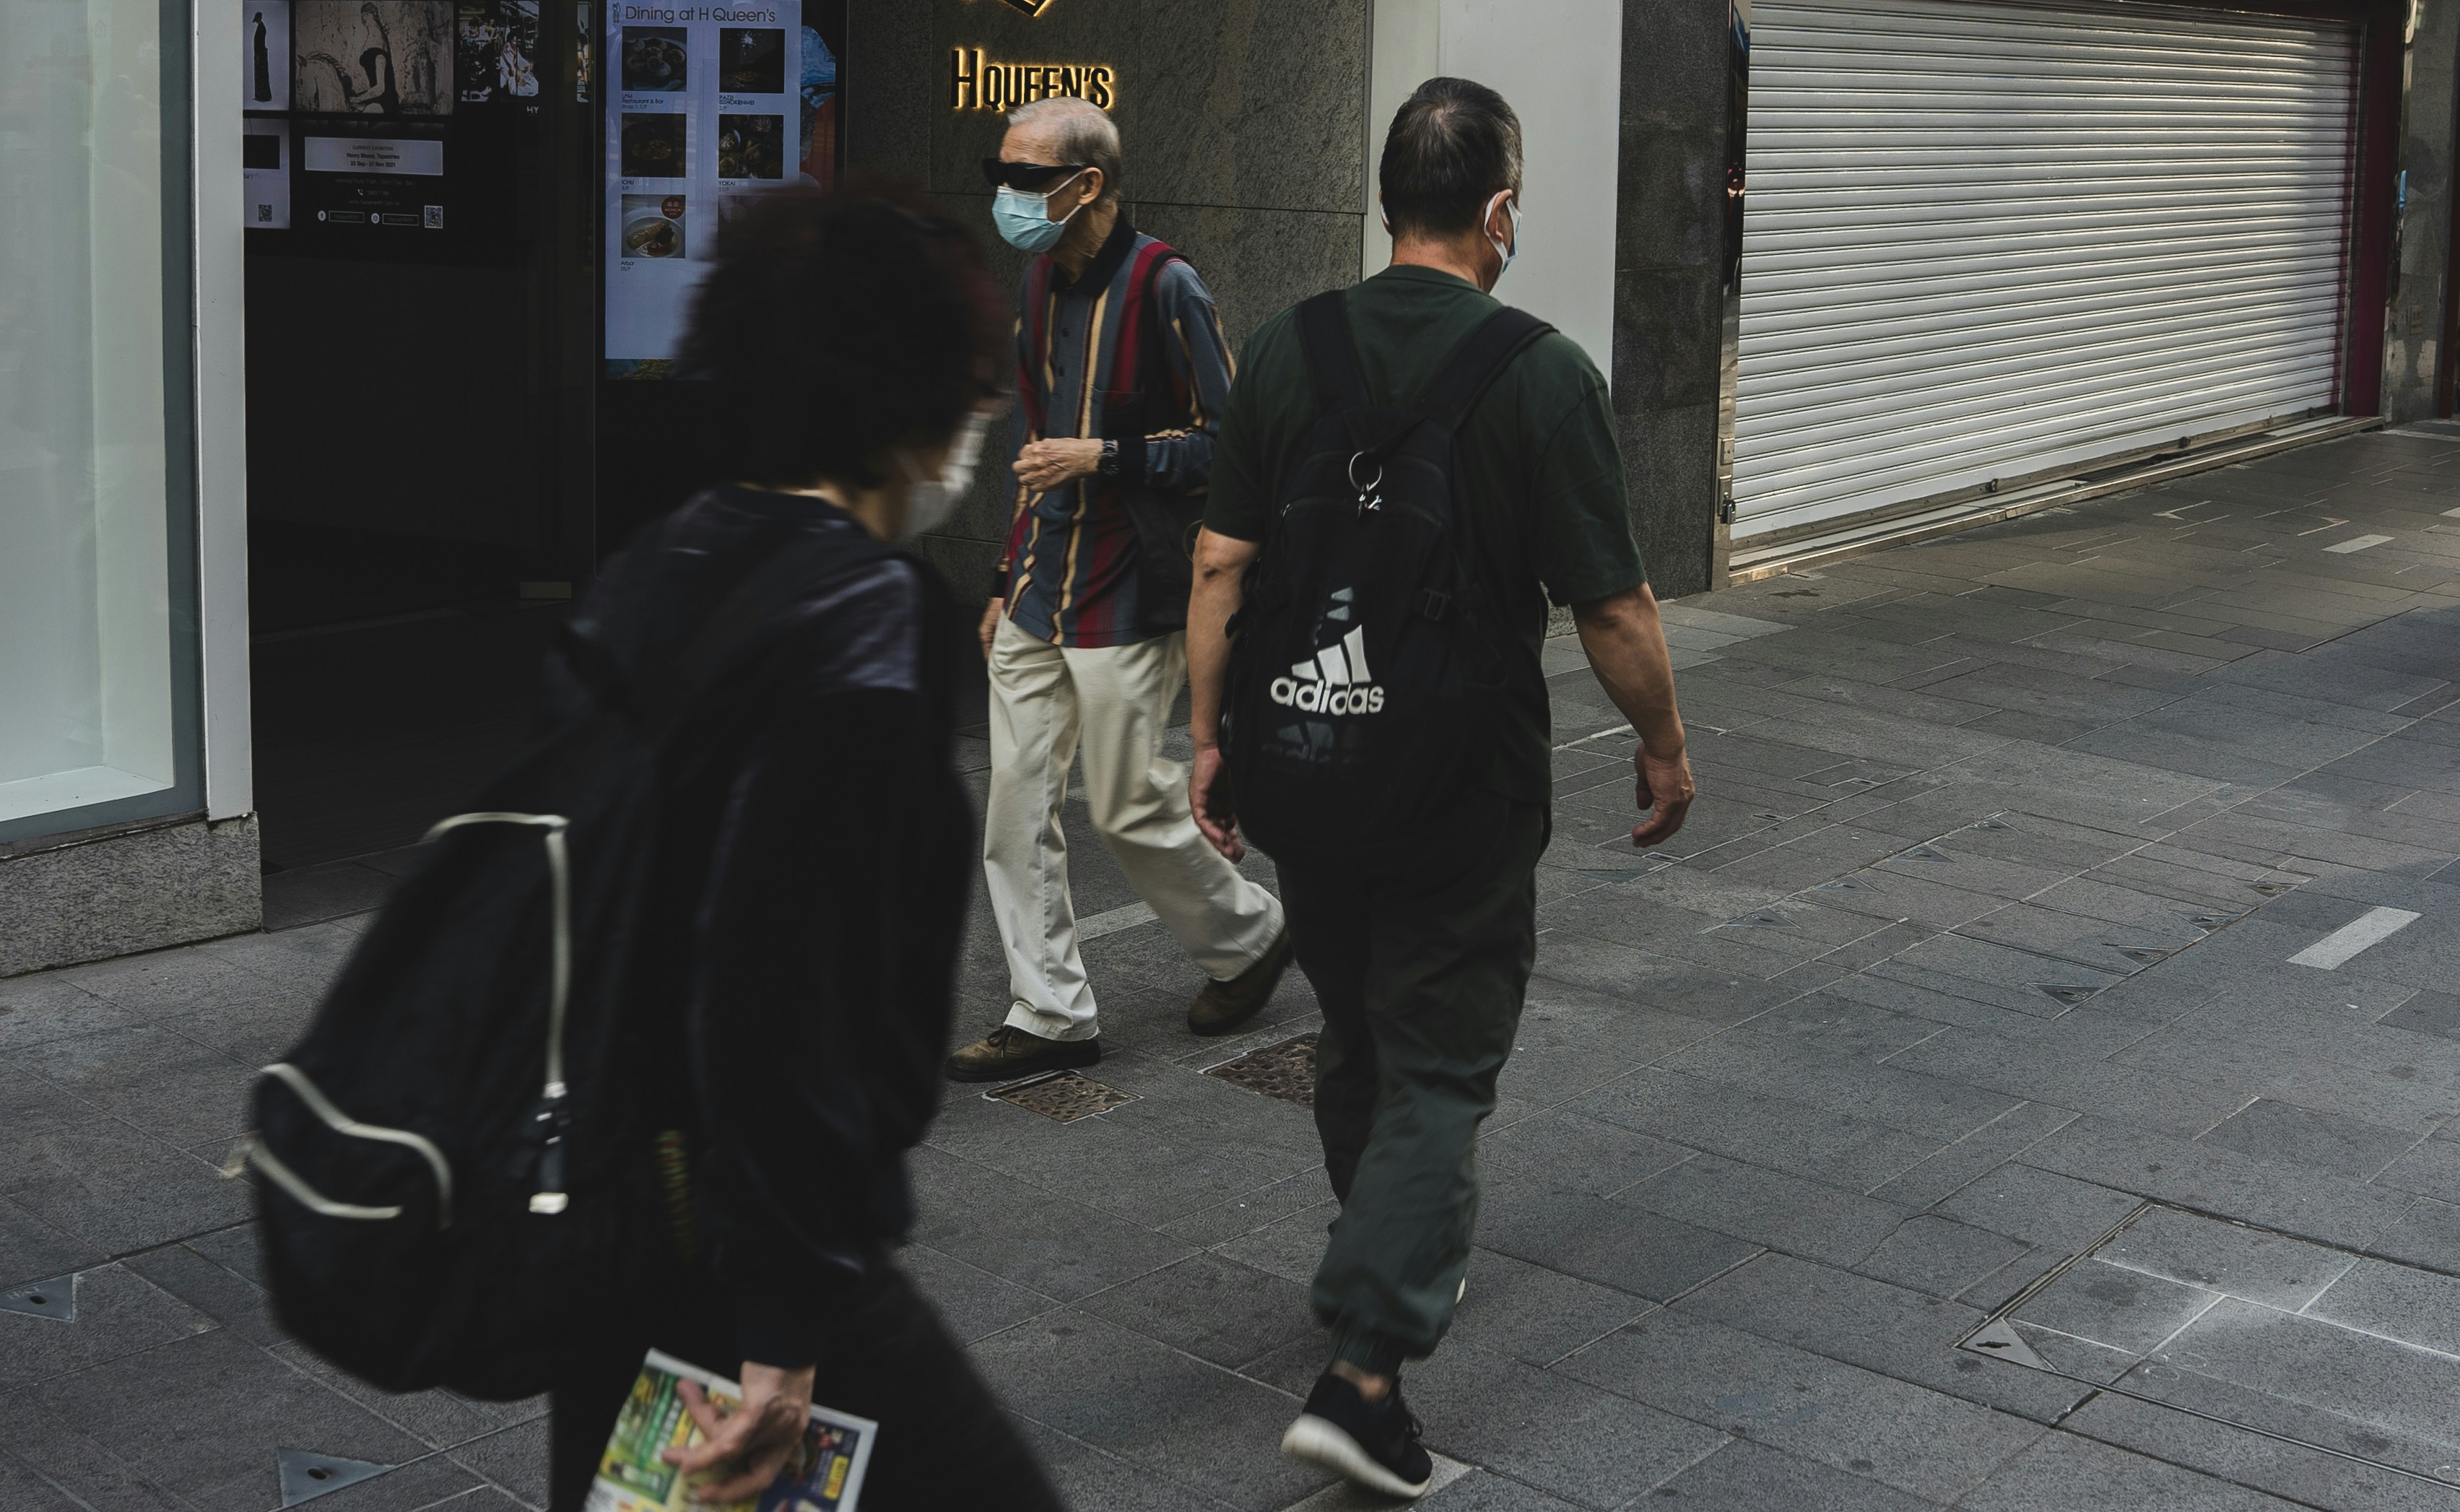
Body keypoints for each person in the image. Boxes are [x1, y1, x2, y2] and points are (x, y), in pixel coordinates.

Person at [1186, 78, 1697, 1499]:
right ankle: (1362, 1372)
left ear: (1382, 204)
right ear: (1494, 210)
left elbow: (1220, 562)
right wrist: (1659, 743)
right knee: (1441, 1066)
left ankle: (1384, 1252)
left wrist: (1209, 735)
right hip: (1459, 787)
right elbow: (1611, 605)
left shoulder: (1288, 351)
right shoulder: (1539, 373)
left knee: (1353, 1036)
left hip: (1303, 756)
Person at [542, 186, 1065, 1511]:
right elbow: (771, 993)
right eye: (969, 389)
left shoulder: (664, 561)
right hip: (748, 1250)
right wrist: (780, 1339)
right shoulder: (864, 634)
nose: (978, 427)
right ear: (904, 404)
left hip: (618, 1201)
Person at [947, 95, 1292, 1083]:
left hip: (1129, 586)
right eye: (999, 174)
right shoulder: (1034, 287)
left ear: (1085, 183)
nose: (1007, 197)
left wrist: (1105, 454)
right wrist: (1003, 573)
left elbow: (1233, 446)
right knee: (1013, 807)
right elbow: (1028, 453)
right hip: (1037, 584)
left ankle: (1250, 938)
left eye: (1024, 177)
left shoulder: (1167, 286)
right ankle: (1049, 1011)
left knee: (1129, 801)